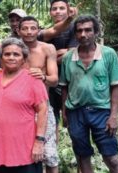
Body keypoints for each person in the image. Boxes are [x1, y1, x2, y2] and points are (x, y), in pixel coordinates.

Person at [60, 15, 118, 173]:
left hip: (101, 111)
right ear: (75, 34)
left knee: (111, 157)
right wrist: (65, 112)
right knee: (82, 156)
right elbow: (65, 87)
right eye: (79, 31)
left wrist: (113, 116)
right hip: (75, 112)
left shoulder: (108, 54)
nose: (83, 34)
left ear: (96, 32)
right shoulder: (68, 58)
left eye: (88, 30)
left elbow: (115, 86)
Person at [0, 37, 48, 173]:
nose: (11, 57)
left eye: (16, 54)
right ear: (1, 58)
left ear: (23, 59)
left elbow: (42, 110)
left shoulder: (33, 79)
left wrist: (39, 141)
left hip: (23, 145)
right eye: (7, 54)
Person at [18, 16, 59, 173]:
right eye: (25, 28)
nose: (29, 32)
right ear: (18, 30)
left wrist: (43, 77)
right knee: (25, 152)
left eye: (33, 28)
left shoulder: (47, 48)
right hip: (20, 108)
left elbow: (54, 80)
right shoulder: (12, 50)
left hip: (42, 105)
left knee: (49, 153)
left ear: (38, 29)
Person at [38, 0, 79, 140]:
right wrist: (59, 54)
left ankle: (79, 153)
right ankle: (53, 152)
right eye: (54, 8)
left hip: (72, 81)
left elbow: (74, 53)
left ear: (68, 10)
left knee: (72, 118)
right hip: (51, 81)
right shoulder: (46, 32)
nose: (58, 11)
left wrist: (50, 58)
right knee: (52, 117)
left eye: (62, 8)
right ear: (50, 12)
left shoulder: (76, 29)